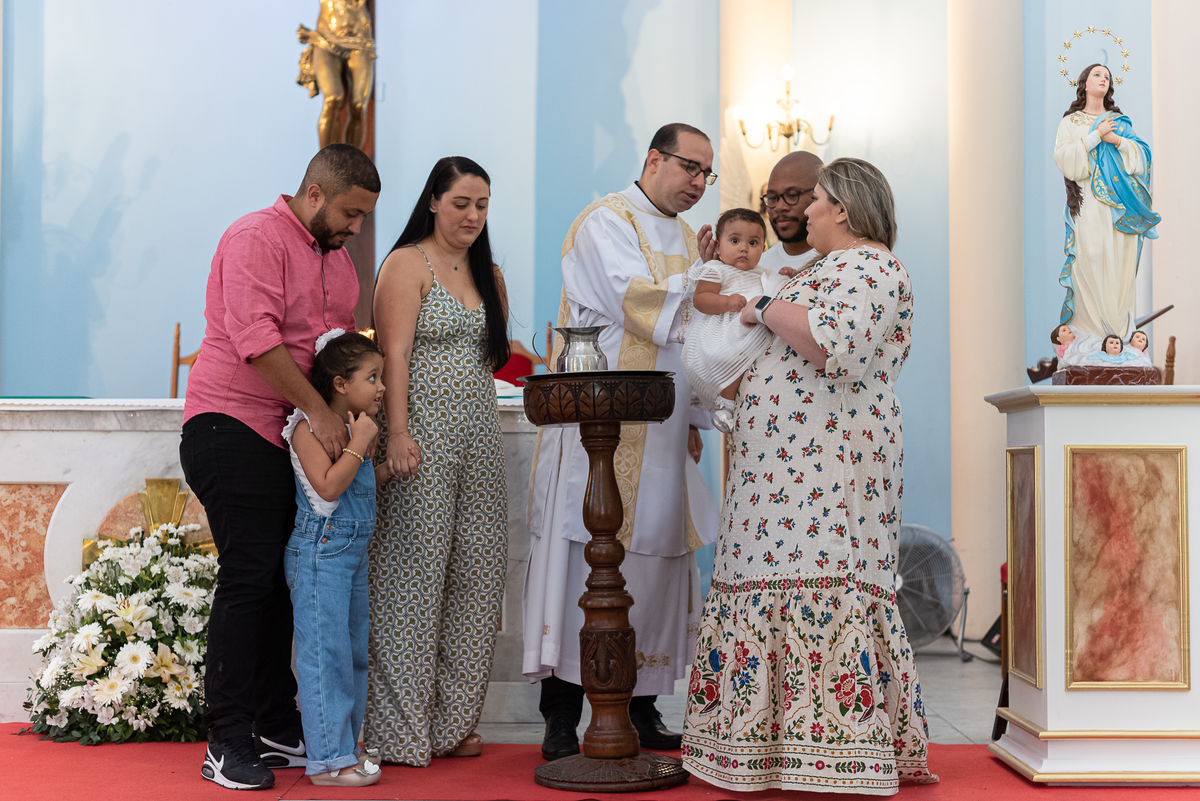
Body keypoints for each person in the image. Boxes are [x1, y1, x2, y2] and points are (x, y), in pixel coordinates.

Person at [681, 158, 937, 793]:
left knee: (820, 578)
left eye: (815, 200)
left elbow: (832, 343)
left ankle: (829, 748)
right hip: (780, 473)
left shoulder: (870, 265)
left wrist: (766, 305)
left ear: (842, 209)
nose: (803, 212)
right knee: (764, 579)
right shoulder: (827, 267)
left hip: (825, 471)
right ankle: (765, 747)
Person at [180, 144, 380, 791]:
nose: (356, 228)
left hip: (286, 436)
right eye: (350, 213)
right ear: (315, 194)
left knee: (277, 580)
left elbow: (334, 358)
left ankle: (271, 721)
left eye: (364, 217)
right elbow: (257, 342)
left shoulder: (341, 266)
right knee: (248, 578)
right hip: (229, 424)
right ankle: (225, 739)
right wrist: (320, 412)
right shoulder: (255, 237)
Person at [524, 122, 719, 761]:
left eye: (707, 173)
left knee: (655, 565)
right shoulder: (605, 222)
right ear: (654, 159)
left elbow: (694, 339)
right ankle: (561, 716)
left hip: (661, 432)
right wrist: (711, 286)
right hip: (599, 430)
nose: (698, 182)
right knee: (583, 564)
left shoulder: (687, 238)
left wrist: (693, 417)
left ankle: (642, 707)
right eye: (690, 167)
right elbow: (638, 302)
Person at [366, 156, 509, 766]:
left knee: (478, 576)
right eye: (461, 204)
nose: (473, 216)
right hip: (420, 434)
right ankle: (400, 730)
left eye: (482, 205)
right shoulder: (407, 263)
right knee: (412, 578)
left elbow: (494, 358)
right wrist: (396, 433)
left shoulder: (488, 273)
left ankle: (453, 721)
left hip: (478, 436)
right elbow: (393, 355)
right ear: (432, 201)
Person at [282, 331, 391, 787]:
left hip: (350, 554)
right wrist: (360, 443)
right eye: (372, 377)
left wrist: (385, 468)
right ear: (340, 384)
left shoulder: (355, 426)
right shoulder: (306, 428)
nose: (382, 387)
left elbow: (354, 485)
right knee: (325, 657)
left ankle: (347, 748)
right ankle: (329, 761)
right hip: (320, 553)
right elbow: (328, 488)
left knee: (351, 656)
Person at [1055, 63, 1159, 341]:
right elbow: (1065, 160)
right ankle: (1090, 337)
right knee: (1090, 260)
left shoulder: (1119, 122)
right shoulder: (1071, 123)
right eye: (1097, 75)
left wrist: (1116, 140)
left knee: (1119, 269)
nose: (1103, 79)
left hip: (1120, 208)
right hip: (1089, 206)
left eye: (1108, 77)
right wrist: (1095, 136)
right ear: (1084, 83)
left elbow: (1143, 158)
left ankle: (1118, 338)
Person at [683, 208, 791, 431]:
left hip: (755, 329)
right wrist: (726, 302)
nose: (744, 248)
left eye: (753, 242)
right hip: (726, 330)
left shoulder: (762, 273)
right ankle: (725, 403)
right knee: (732, 358)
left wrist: (786, 278)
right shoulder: (716, 269)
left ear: (763, 248)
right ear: (718, 248)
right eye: (735, 240)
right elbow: (700, 299)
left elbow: (777, 293)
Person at [758, 151, 824, 274]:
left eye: (792, 195)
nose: (779, 207)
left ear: (819, 194)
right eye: (772, 198)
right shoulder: (757, 267)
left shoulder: (840, 263)